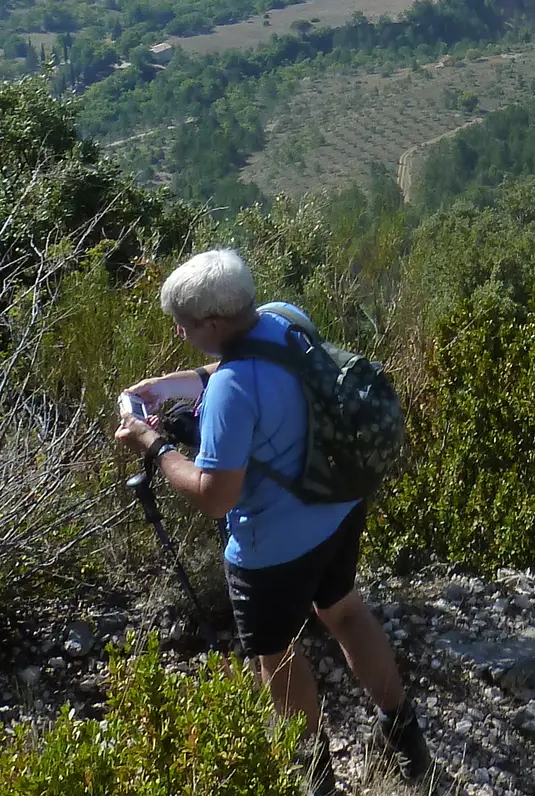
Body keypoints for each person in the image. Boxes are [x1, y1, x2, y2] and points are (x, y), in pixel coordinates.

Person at [114, 249, 430, 796]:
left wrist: (154, 442)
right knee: (345, 611)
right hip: (338, 506)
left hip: (271, 549)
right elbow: (250, 363)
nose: (179, 332)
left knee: (277, 656)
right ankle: (406, 741)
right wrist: (170, 386)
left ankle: (315, 779)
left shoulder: (232, 394)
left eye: (184, 325)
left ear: (212, 324)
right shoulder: (284, 319)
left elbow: (216, 497)